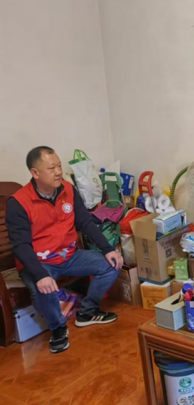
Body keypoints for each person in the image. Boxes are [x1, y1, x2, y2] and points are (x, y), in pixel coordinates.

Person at [6, 147, 123, 354]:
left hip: (69, 255)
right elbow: (21, 245)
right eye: (52, 168)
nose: (58, 172)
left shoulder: (68, 189)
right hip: (39, 262)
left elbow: (85, 222)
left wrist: (107, 249)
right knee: (42, 288)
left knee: (111, 264)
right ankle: (58, 328)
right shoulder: (19, 203)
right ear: (35, 173)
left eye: (59, 166)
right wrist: (40, 275)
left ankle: (87, 312)